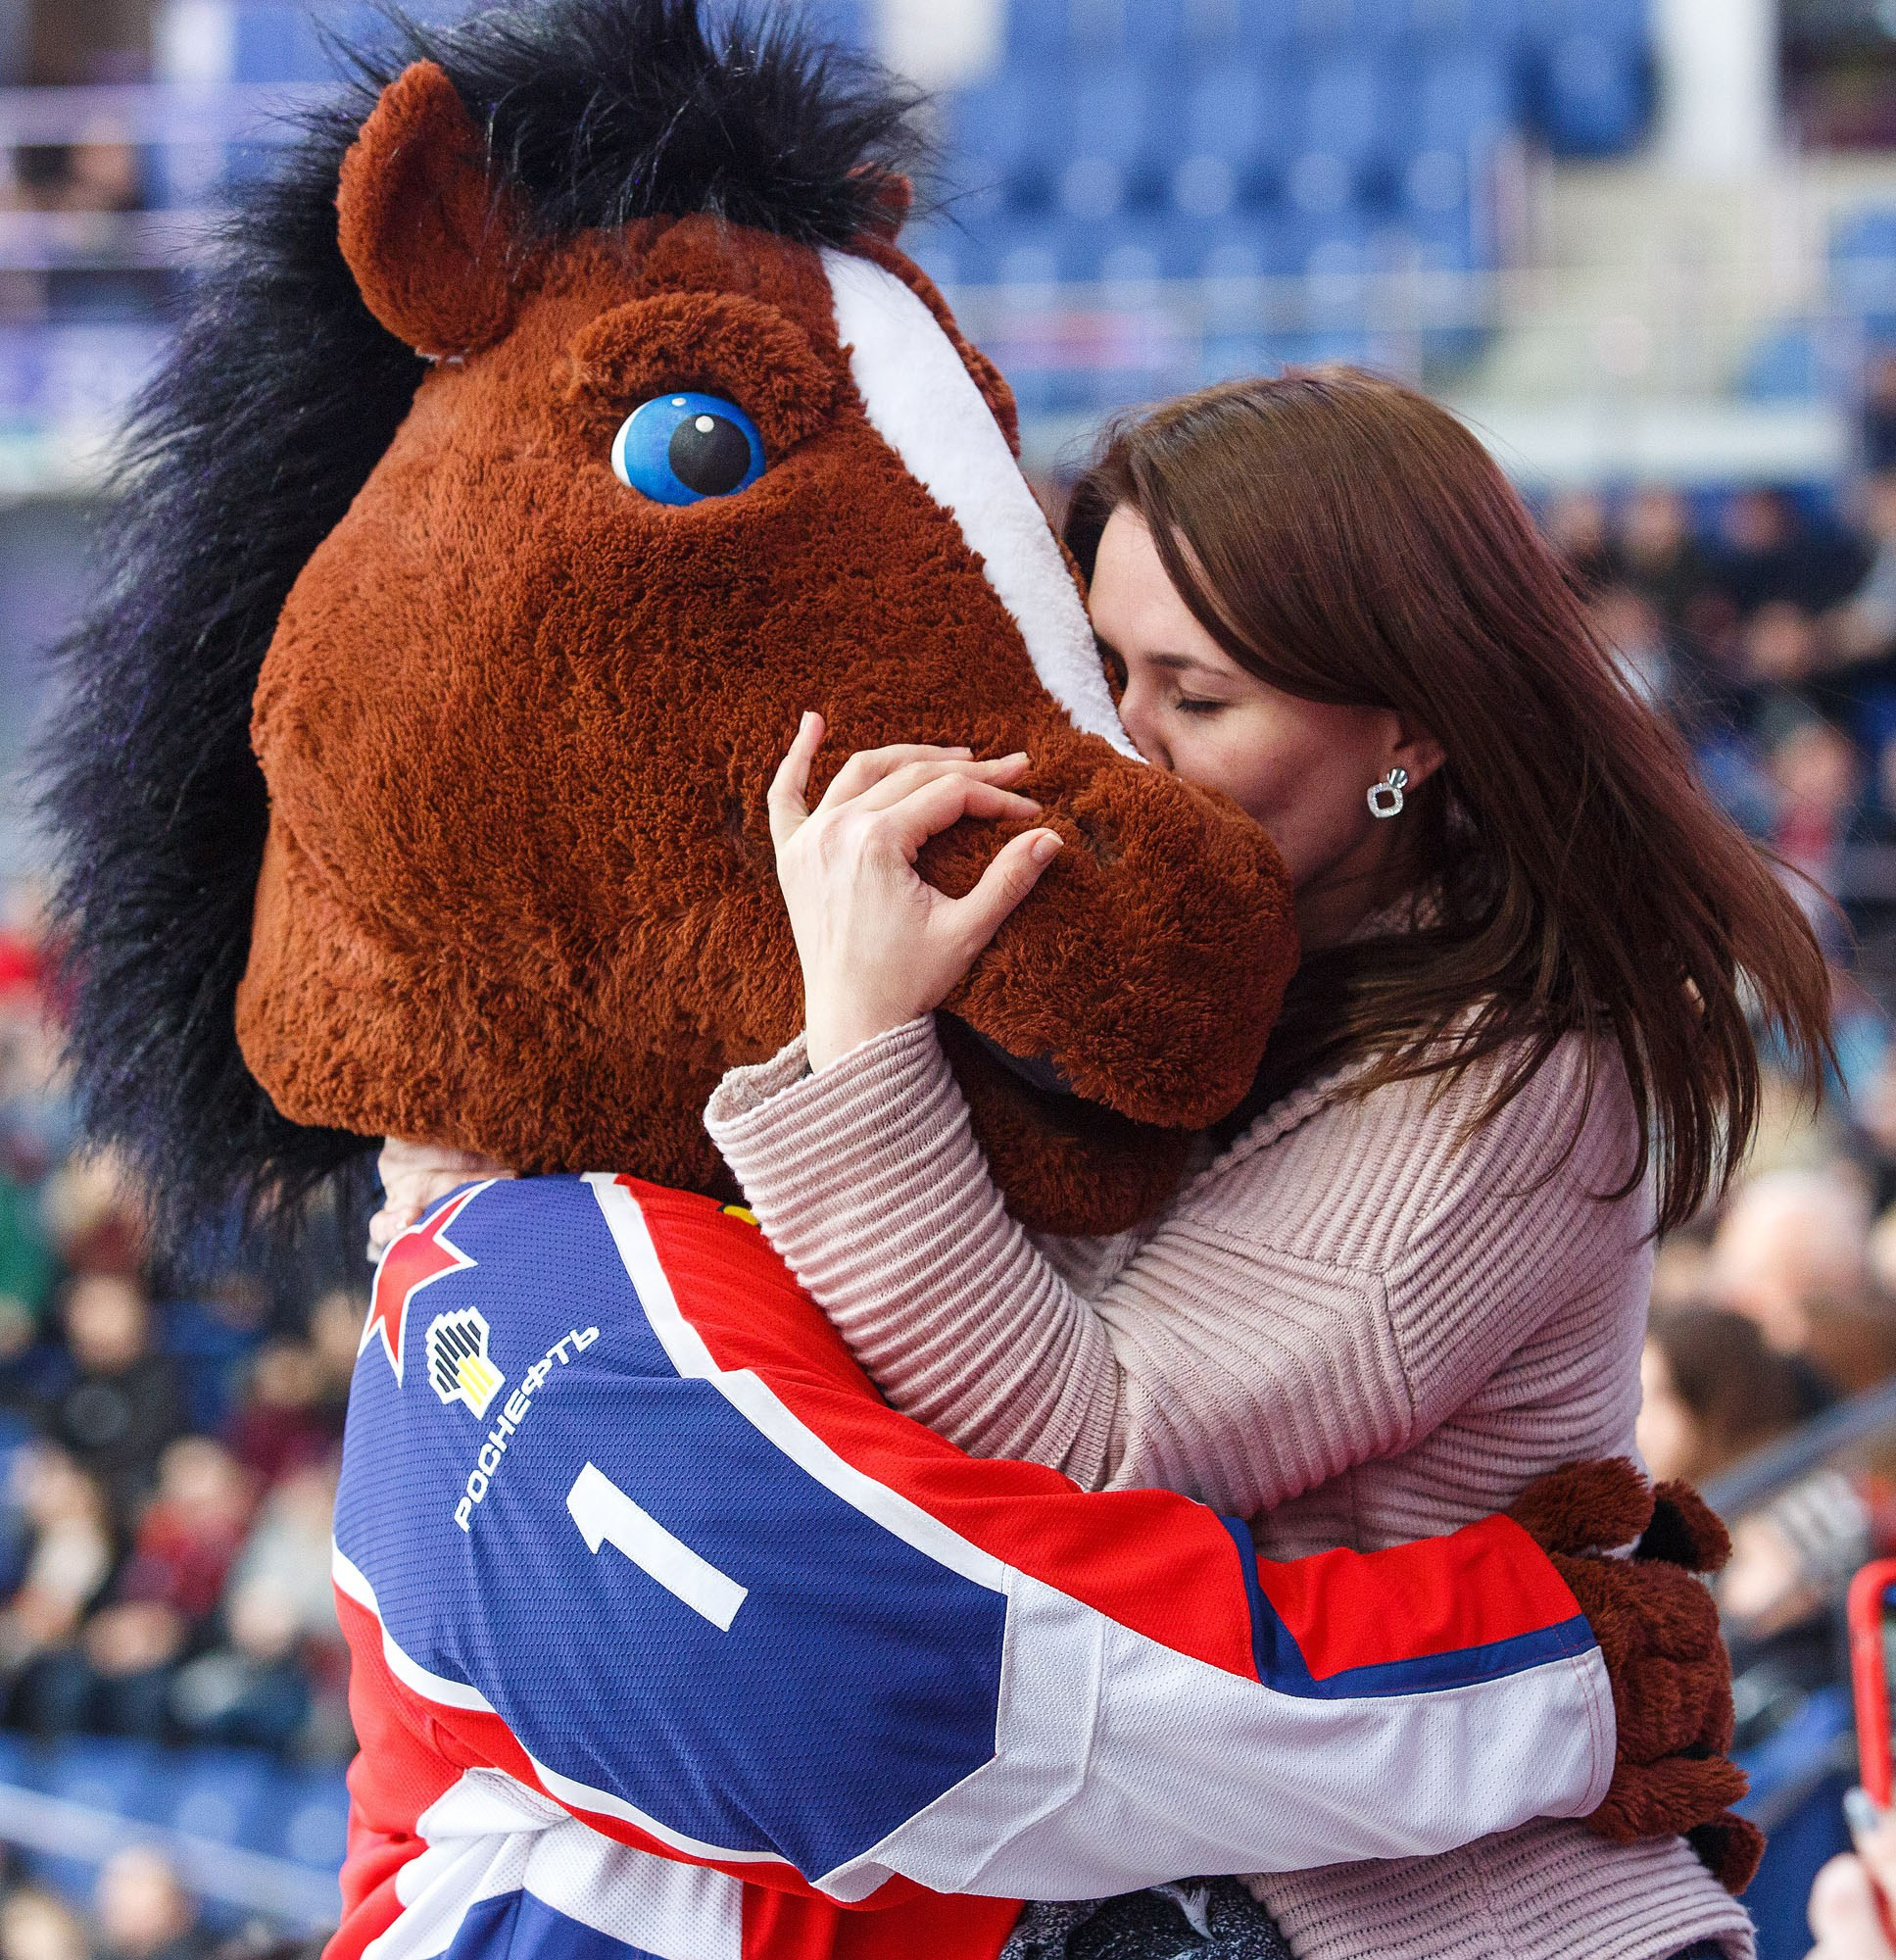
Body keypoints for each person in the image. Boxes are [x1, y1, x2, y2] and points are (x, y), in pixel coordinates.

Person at [378, 370, 1815, 1958]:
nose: (1123, 749)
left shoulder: (1521, 1076)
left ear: (1413, 722)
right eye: (1103, 670)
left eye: (1197, 701)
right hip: (1181, 1876)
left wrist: (860, 1042)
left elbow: (1092, 1447)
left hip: (1423, 1913)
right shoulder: (1203, 956)